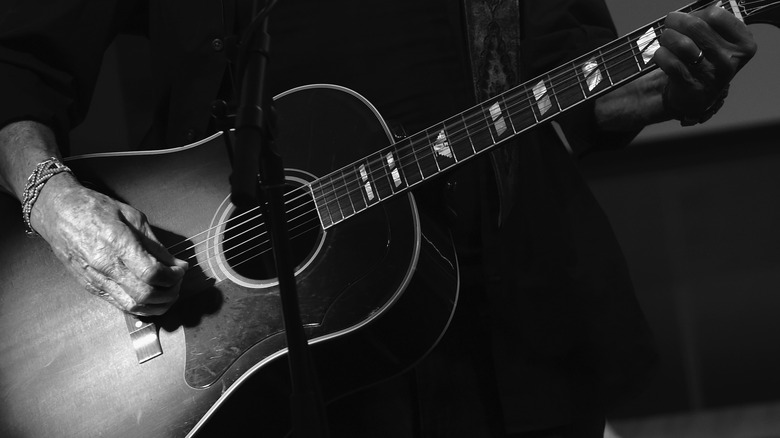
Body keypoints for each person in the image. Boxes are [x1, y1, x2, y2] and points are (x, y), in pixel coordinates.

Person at [0, 0, 757, 437]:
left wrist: (662, 86)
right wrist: (50, 196)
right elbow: (19, 62)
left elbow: (567, 73)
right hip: (236, 358)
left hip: (505, 342)